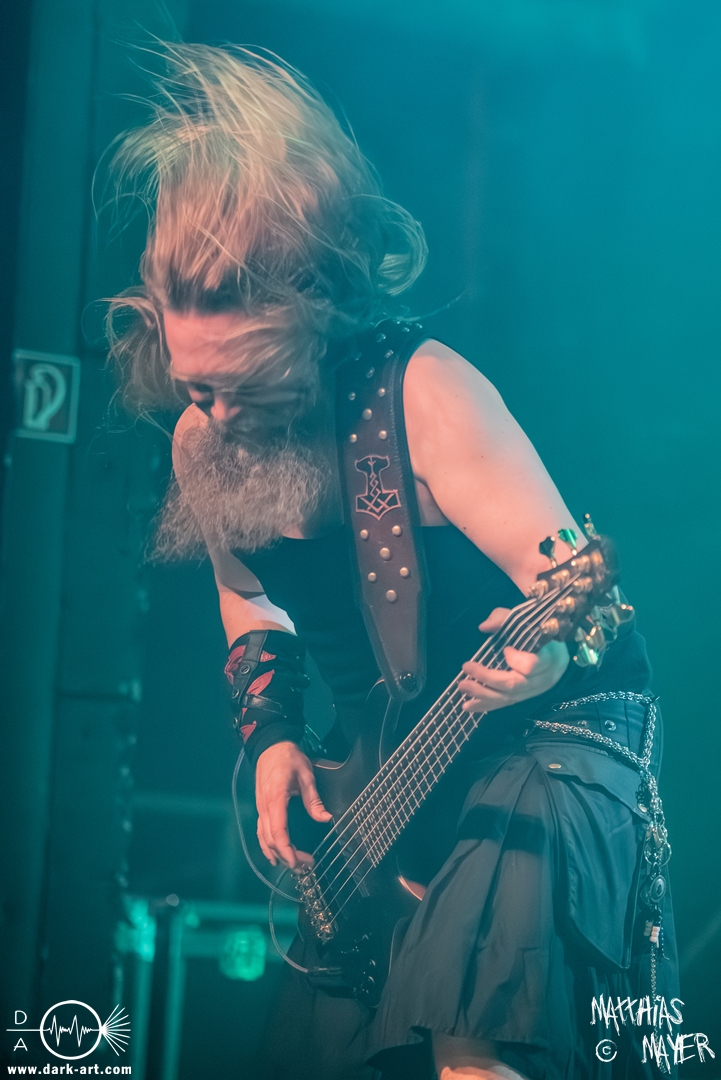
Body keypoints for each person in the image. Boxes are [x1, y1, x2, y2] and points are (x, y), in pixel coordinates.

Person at [107, 43, 678, 1080]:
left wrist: (548, 659)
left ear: (308, 327)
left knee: (471, 1042)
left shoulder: (423, 397)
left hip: (542, 733)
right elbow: (250, 601)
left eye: (244, 385)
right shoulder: (200, 441)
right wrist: (273, 735)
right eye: (195, 388)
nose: (218, 415)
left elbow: (586, 602)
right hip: (389, 766)